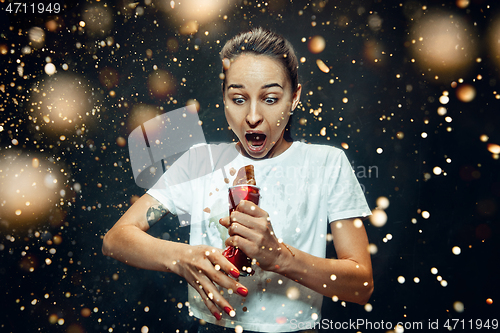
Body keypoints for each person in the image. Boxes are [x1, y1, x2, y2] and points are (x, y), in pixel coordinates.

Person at [102, 27, 373, 332]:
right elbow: (116, 240)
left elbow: (361, 285)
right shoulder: (200, 161)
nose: (253, 116)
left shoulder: (327, 164)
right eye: (239, 98)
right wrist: (181, 257)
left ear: (294, 98)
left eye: (270, 98)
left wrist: (280, 257)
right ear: (224, 99)